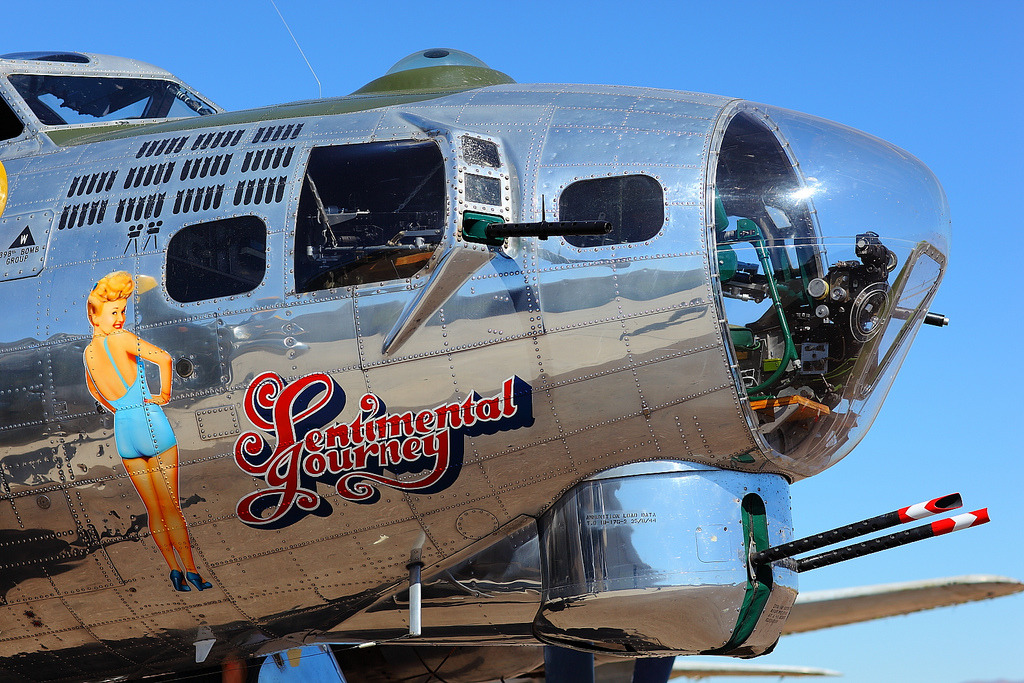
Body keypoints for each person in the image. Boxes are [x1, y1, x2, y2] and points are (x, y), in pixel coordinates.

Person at [83, 271, 212, 592]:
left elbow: (97, 393)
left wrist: (121, 410)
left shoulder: (88, 354)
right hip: (150, 422)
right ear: (94, 314)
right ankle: (193, 571)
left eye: (123, 311)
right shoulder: (123, 339)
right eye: (114, 312)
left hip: (124, 431)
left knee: (154, 510)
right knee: (171, 507)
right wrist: (163, 396)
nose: (120, 318)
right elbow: (164, 358)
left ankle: (173, 571)